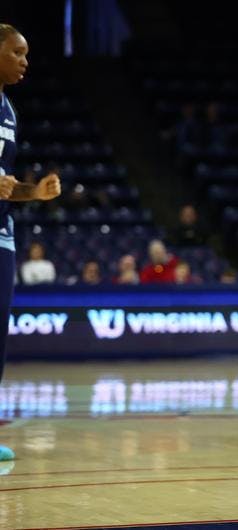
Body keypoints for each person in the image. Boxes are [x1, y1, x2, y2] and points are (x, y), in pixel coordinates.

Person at [0, 24, 63, 463]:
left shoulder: (9, 110)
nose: (25, 61)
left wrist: (33, 193)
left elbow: (5, 186)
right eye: (18, 53)